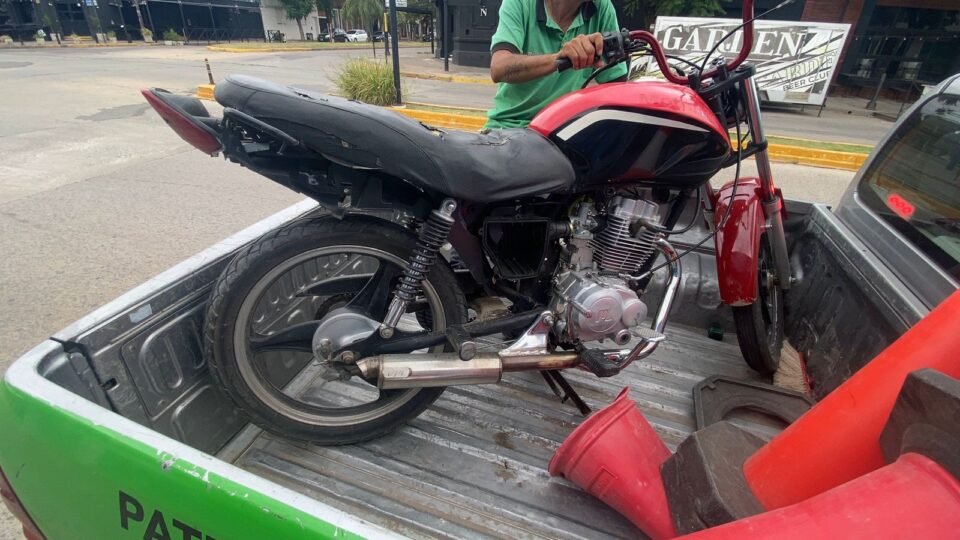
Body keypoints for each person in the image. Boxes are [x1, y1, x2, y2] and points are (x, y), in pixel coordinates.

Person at [485, 0, 628, 129]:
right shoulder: (520, 3)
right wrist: (558, 59)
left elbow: (617, 88)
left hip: (564, 129)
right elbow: (499, 68)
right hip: (510, 126)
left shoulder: (601, 7)